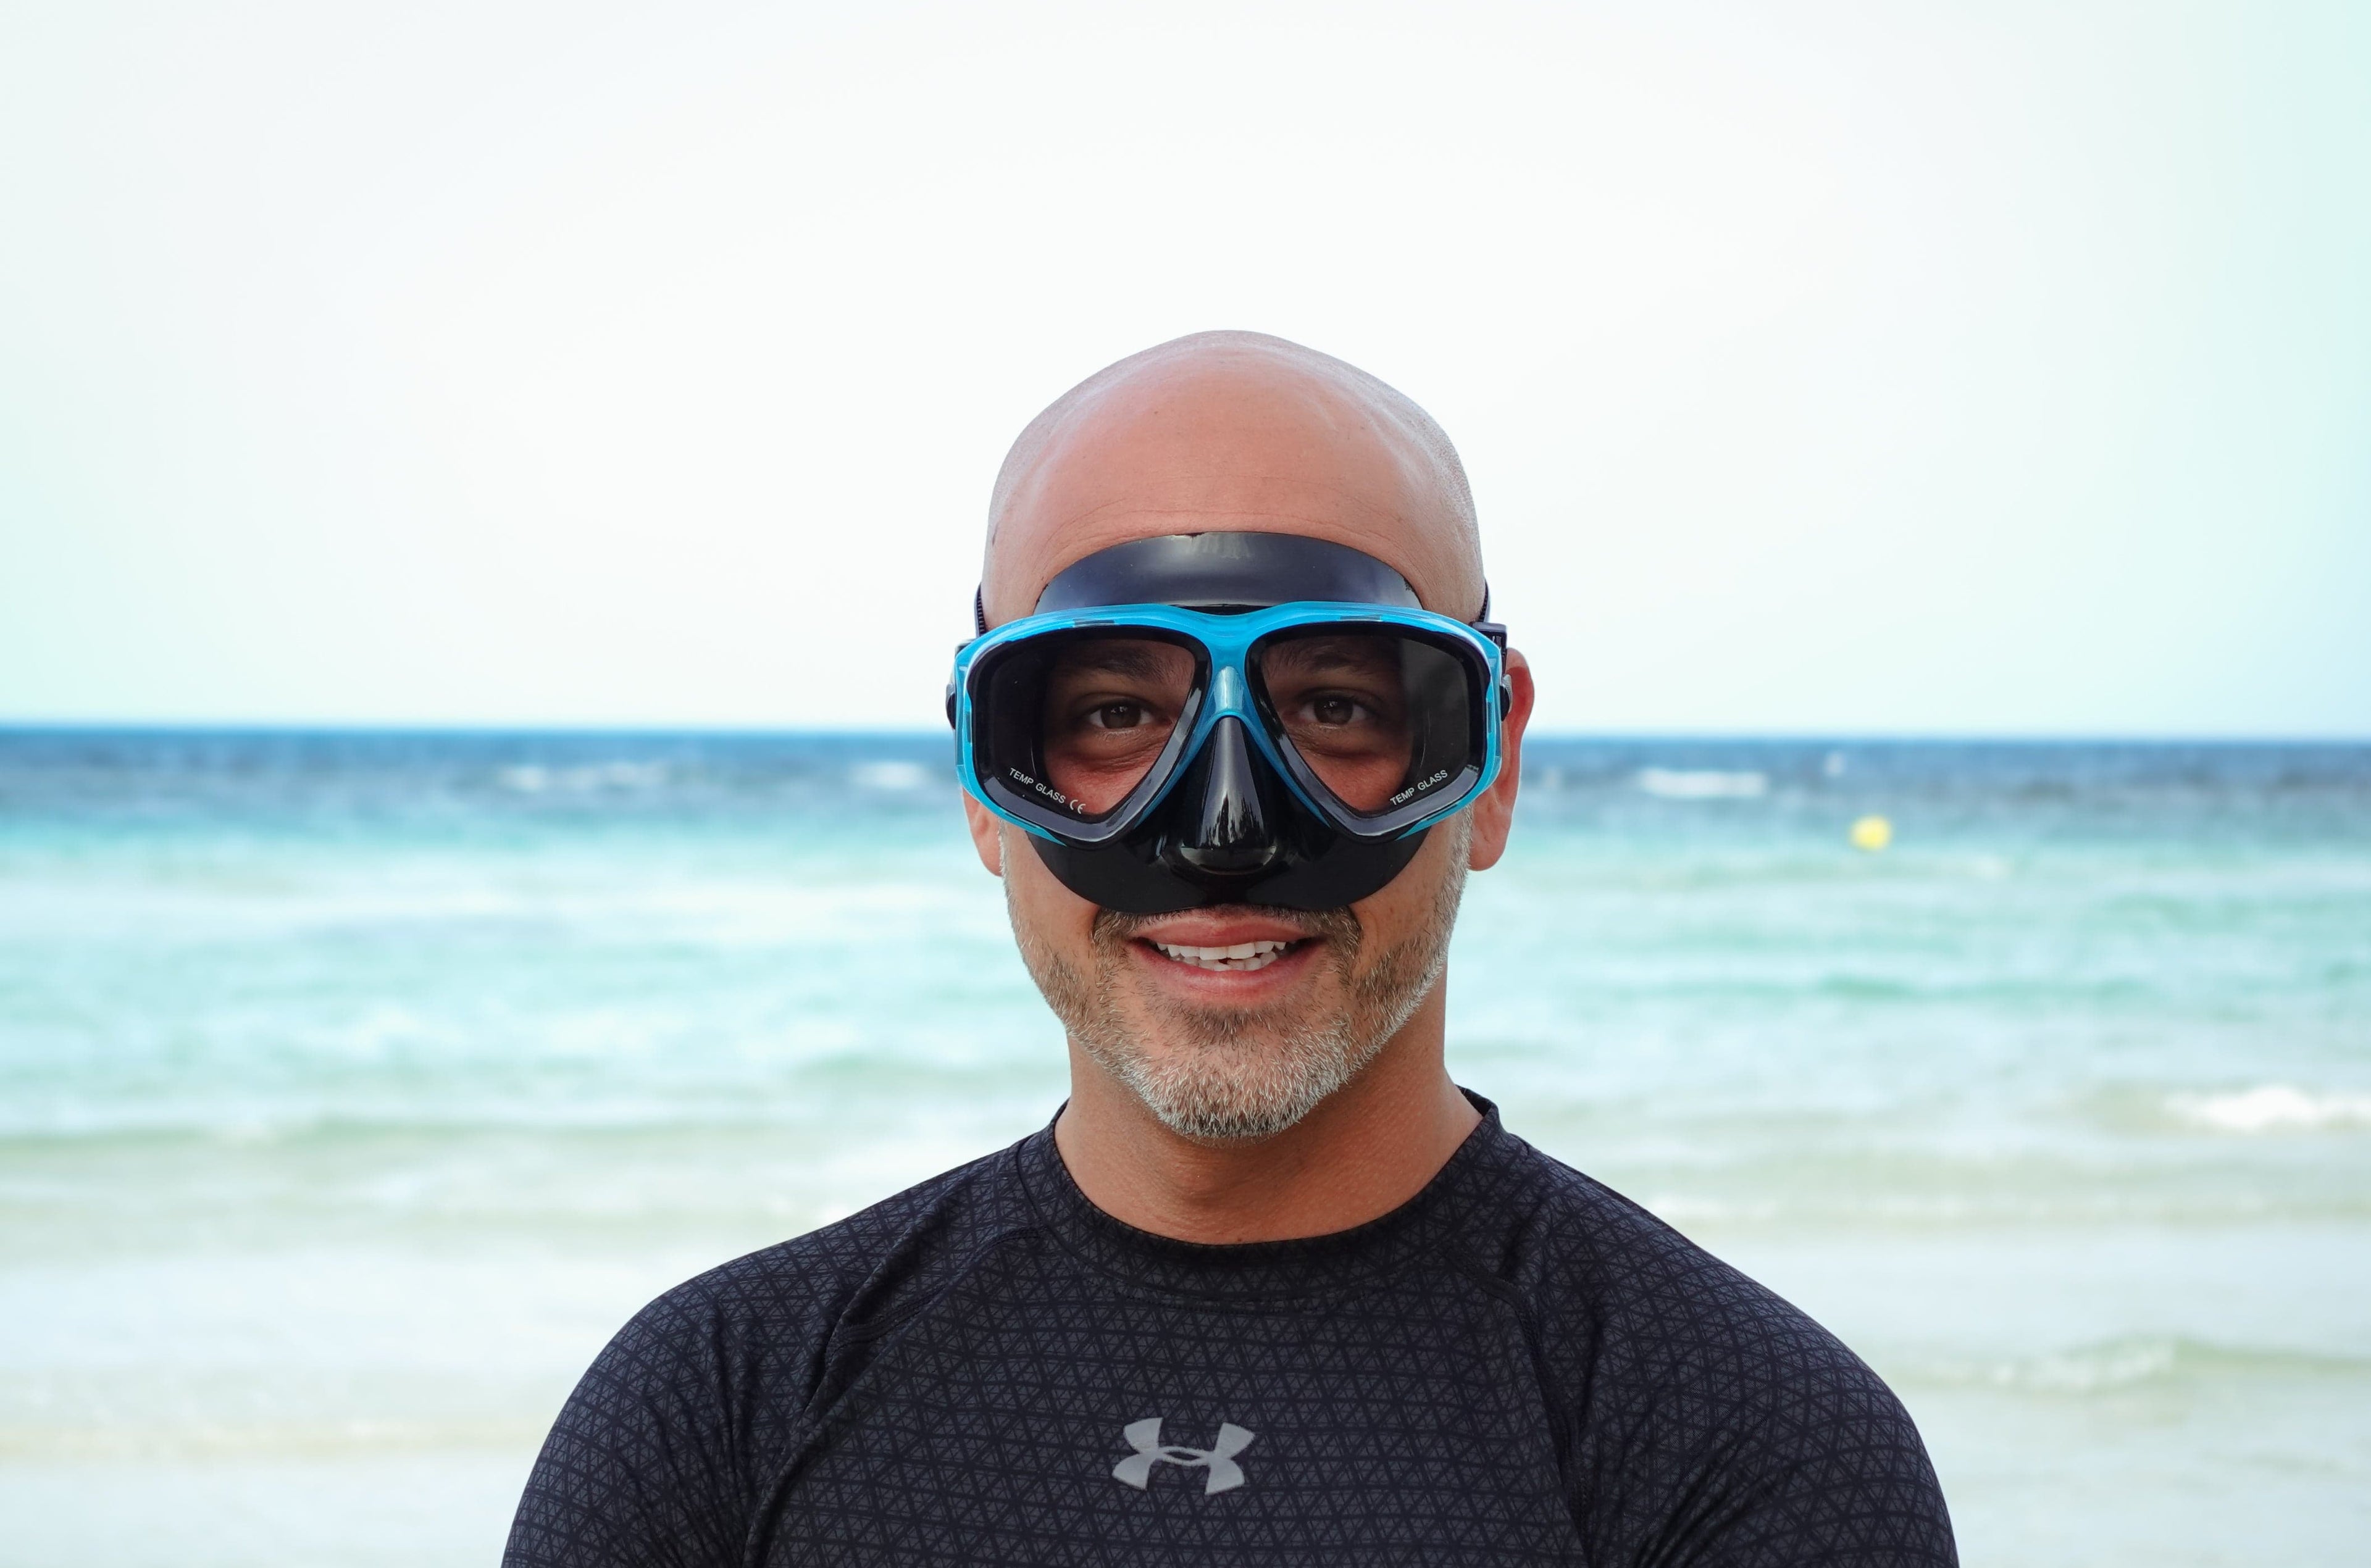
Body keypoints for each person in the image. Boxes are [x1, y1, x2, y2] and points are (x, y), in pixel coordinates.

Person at [504, 332, 1958, 1566]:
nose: (1219, 837)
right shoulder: (714, 1412)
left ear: (1492, 760)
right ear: (980, 777)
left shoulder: (1749, 1453)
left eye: (1335, 708)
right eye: (1110, 715)